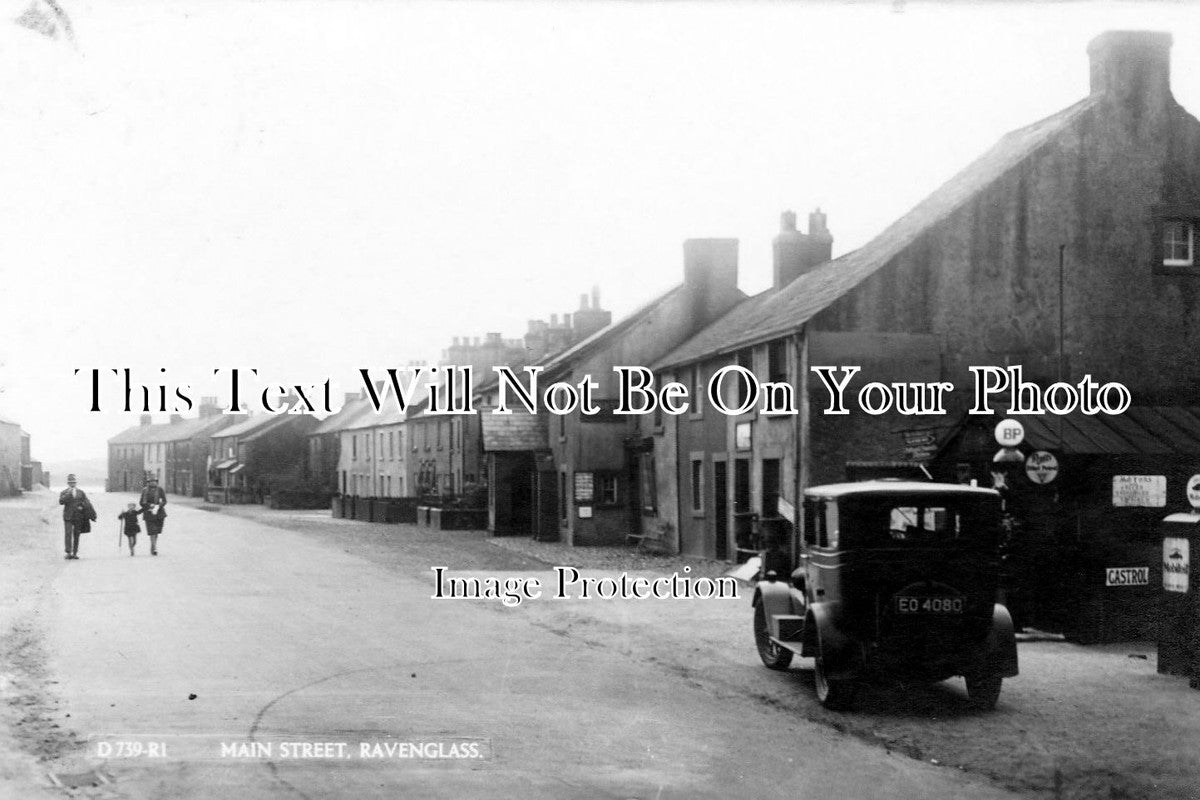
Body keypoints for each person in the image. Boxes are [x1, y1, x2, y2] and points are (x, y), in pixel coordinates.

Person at [58, 474, 96, 560]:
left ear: (76, 483)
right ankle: (68, 552)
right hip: (68, 516)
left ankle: (75, 553)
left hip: (78, 516)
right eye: (71, 482)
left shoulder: (81, 492)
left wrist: (82, 506)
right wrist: (68, 494)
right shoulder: (64, 492)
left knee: (77, 534)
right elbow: (61, 502)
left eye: (74, 482)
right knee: (68, 533)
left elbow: (86, 502)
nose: (72, 484)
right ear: (68, 483)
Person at [139, 476, 167, 556]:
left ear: (156, 482)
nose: (152, 482)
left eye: (154, 481)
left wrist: (159, 506)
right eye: (151, 481)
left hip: (159, 513)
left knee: (157, 531)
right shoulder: (144, 490)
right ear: (148, 482)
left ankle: (153, 545)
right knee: (152, 531)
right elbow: (141, 502)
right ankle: (155, 548)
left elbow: (164, 501)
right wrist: (149, 505)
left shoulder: (160, 490)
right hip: (148, 513)